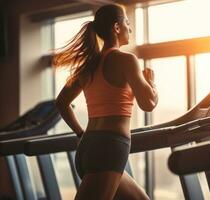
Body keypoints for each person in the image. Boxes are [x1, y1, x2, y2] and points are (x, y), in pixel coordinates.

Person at [53, 3, 158, 200]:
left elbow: (61, 103)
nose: (130, 27)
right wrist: (151, 83)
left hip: (88, 146)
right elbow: (148, 103)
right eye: (127, 22)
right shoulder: (127, 60)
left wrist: (80, 133)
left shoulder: (89, 65)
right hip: (109, 147)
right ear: (116, 28)